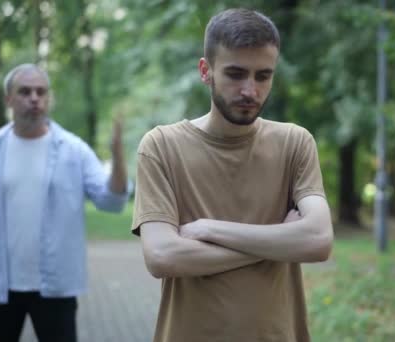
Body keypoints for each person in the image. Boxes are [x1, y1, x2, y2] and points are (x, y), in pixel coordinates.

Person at [132, 8, 334, 342]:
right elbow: (163, 256)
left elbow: (318, 240)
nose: (250, 90)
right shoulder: (161, 146)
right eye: (236, 74)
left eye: (263, 76)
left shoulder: (295, 143)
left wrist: (211, 229)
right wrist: (281, 242)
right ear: (205, 71)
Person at [0, 63, 131, 342]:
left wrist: (118, 157)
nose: (34, 98)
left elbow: (112, 201)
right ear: (8, 99)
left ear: (49, 98)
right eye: (25, 92)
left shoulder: (74, 150)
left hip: (56, 288)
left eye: (41, 92)